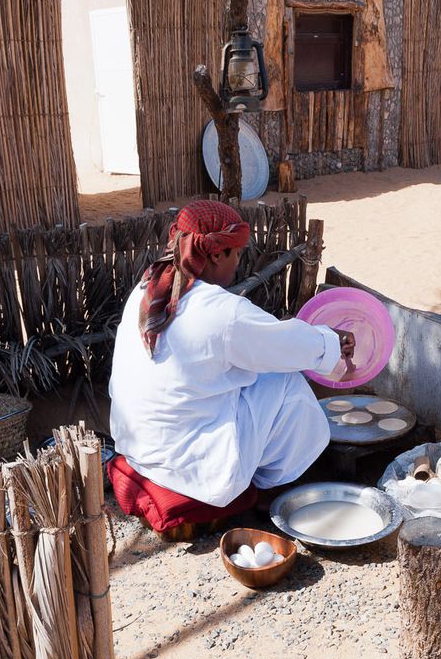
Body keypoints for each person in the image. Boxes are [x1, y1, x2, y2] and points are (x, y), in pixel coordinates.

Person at [109, 200, 354, 509]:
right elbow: (289, 346)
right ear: (214, 254)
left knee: (255, 372)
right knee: (287, 384)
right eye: (236, 253)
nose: (238, 261)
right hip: (187, 469)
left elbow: (259, 338)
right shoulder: (223, 313)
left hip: (138, 446)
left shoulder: (148, 288)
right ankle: (271, 490)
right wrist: (332, 342)